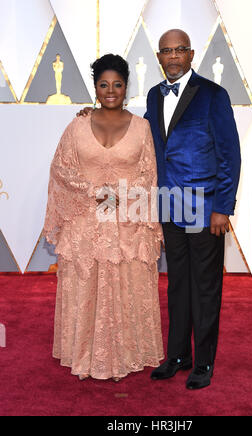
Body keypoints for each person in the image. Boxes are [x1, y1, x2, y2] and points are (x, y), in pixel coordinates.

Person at [78, 29, 241, 390]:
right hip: (168, 207)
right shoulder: (154, 95)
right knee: (177, 284)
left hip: (203, 208)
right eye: (166, 51)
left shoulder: (214, 96)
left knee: (205, 286)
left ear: (191, 53)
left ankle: (204, 363)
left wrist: (222, 209)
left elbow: (230, 154)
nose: (172, 57)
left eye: (179, 50)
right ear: (159, 56)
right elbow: (143, 136)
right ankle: (179, 355)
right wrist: (94, 115)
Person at [43, 54, 164, 382]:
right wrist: (91, 191)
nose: (111, 90)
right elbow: (61, 168)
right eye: (103, 84)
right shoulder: (77, 124)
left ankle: (129, 352)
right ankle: (82, 352)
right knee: (87, 287)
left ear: (126, 86)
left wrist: (114, 198)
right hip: (84, 222)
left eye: (118, 84)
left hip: (127, 224)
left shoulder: (142, 127)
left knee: (126, 288)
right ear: (95, 87)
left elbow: (148, 174)